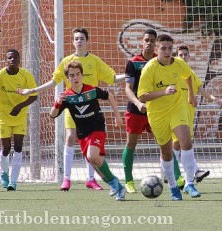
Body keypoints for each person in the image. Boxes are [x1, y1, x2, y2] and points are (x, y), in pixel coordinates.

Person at [18, 27, 124, 191]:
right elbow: (54, 82)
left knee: (91, 151)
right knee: (70, 137)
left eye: (82, 38)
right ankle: (66, 178)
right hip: (73, 108)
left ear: (87, 41)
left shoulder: (95, 61)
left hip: (91, 110)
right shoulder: (67, 63)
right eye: (76, 38)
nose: (79, 41)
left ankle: (91, 179)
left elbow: (112, 78)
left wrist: (130, 74)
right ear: (73, 41)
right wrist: (32, 90)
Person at [50, 61, 126, 201]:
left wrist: (117, 116)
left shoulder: (91, 90)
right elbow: (53, 115)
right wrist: (57, 102)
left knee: (92, 156)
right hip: (82, 133)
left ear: (82, 75)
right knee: (95, 162)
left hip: (97, 127)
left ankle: (115, 183)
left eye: (78, 74)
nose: (75, 78)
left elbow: (109, 95)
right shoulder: (66, 97)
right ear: (68, 78)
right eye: (72, 75)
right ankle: (118, 186)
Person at [138, 34, 201, 200]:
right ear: (157, 49)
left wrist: (191, 96)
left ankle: (189, 183)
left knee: (186, 141)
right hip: (157, 114)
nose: (167, 52)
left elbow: (188, 76)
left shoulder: (179, 63)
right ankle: (173, 188)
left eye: (170, 48)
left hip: (177, 107)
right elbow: (142, 96)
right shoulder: (149, 68)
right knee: (166, 154)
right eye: (163, 48)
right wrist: (163, 92)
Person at [0, 49, 38, 191]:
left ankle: (13, 181)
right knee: (6, 148)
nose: (12, 60)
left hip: (19, 115)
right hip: (2, 115)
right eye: (9, 58)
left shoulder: (26, 75)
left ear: (19, 60)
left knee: (18, 147)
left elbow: (34, 95)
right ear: (6, 60)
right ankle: (4, 173)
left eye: (15, 57)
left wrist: (20, 106)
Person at [170, 45, 222, 187]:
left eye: (185, 54)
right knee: (184, 143)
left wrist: (214, 98)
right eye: (180, 54)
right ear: (176, 56)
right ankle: (194, 173)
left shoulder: (191, 74)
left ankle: (170, 173)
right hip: (175, 114)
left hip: (188, 114)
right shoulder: (173, 73)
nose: (183, 57)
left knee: (178, 144)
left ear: (189, 56)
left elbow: (202, 90)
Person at [122, 29, 158, 193]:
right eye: (146, 40)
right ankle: (129, 181)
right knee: (131, 143)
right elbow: (128, 89)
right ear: (142, 42)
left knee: (166, 143)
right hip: (136, 110)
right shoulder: (133, 62)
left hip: (156, 110)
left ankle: (177, 179)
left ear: (155, 42)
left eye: (152, 40)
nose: (149, 43)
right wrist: (137, 103)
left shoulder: (160, 61)